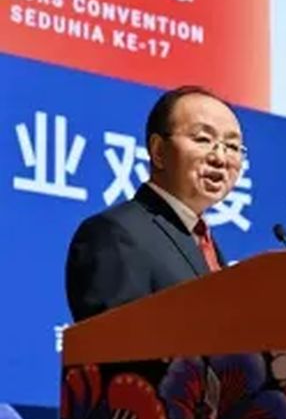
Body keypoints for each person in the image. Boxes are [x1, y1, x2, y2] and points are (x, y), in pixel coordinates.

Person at [65, 84, 245, 322]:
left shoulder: (203, 241)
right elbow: (116, 338)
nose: (221, 158)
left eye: (232, 146)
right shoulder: (115, 234)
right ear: (158, 151)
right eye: (203, 139)